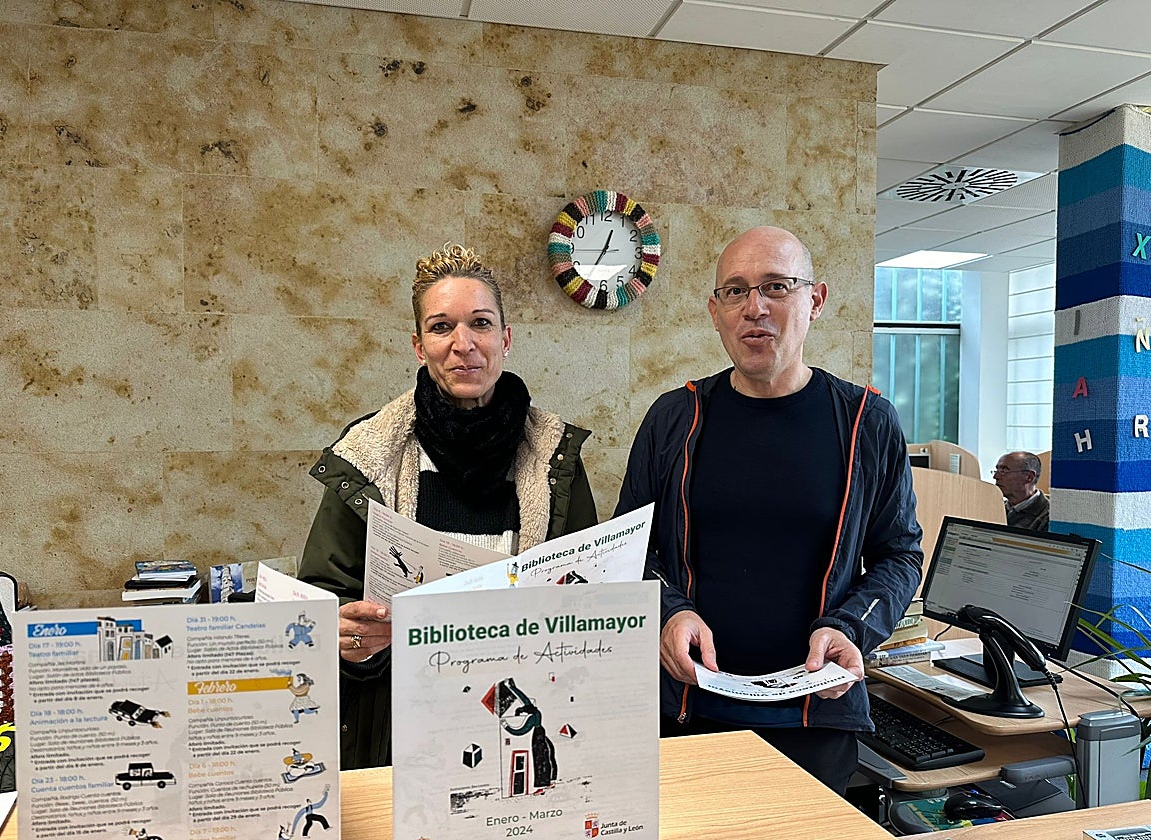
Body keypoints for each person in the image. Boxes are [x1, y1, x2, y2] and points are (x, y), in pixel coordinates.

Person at [613, 226, 923, 794]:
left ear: (816, 300)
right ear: (715, 311)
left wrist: (850, 627)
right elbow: (628, 549)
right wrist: (669, 612)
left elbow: (900, 556)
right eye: (735, 291)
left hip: (814, 716)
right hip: (685, 711)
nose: (755, 307)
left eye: (776, 287)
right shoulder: (674, 418)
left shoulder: (865, 423)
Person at [299, 243, 599, 769]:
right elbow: (323, 601)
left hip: (521, 716)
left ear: (505, 339)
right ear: (419, 346)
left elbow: (589, 595)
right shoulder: (368, 455)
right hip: (398, 727)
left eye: (480, 323)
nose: (464, 345)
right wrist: (348, 637)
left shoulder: (557, 462)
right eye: (441, 328)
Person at [994, 451, 1049, 531]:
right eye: (997, 470)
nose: (995, 476)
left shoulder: (1049, 518)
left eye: (1004, 471)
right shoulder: (996, 509)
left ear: (1029, 477)